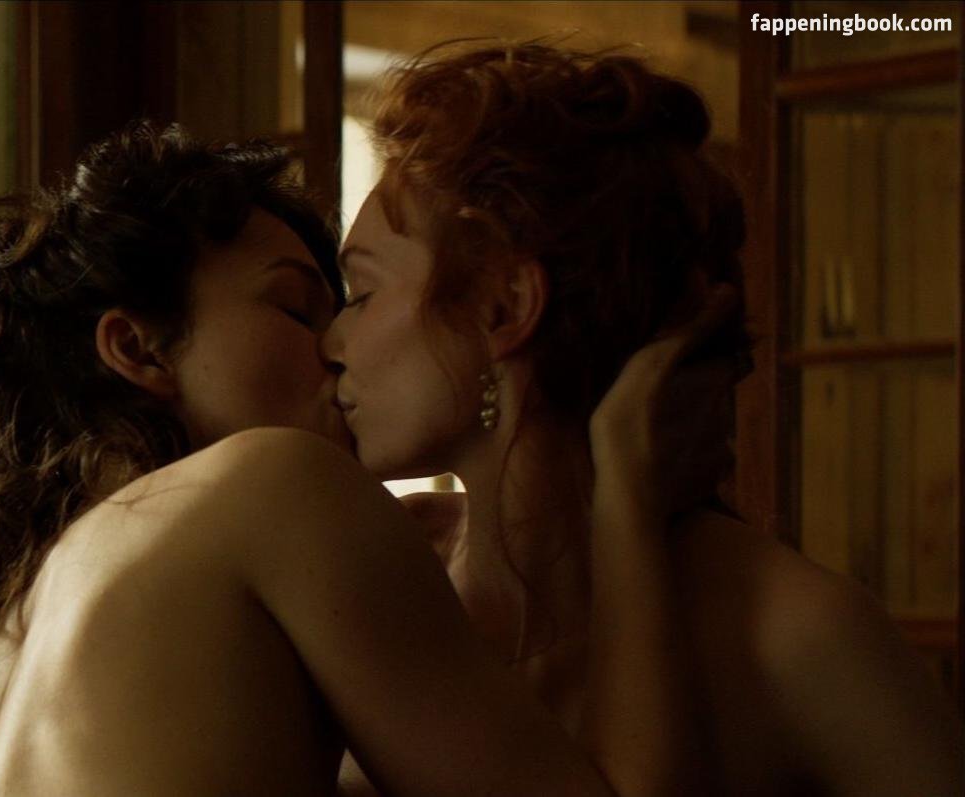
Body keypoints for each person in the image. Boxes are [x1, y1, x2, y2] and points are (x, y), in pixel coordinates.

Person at [0, 120, 731, 796]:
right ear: (138, 348)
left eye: (352, 305)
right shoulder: (274, 487)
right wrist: (624, 492)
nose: (339, 346)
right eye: (297, 306)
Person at [323, 43, 965, 795]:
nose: (332, 341)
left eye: (362, 294)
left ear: (505, 307)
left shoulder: (794, 631)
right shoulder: (394, 578)